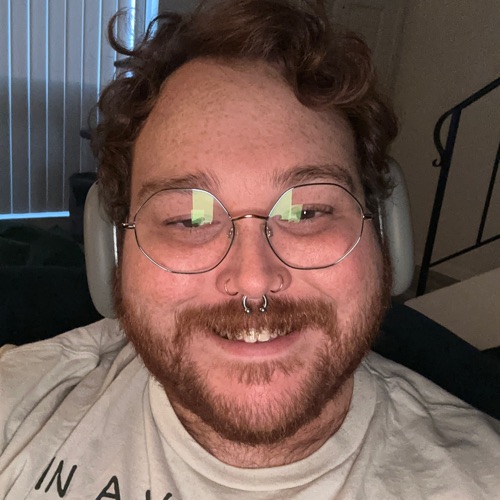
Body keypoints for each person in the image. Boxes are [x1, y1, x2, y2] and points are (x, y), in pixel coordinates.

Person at [1, 1, 499, 498]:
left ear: (385, 234)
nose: (254, 279)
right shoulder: (18, 409)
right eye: (189, 219)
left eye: (306, 212)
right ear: (112, 252)